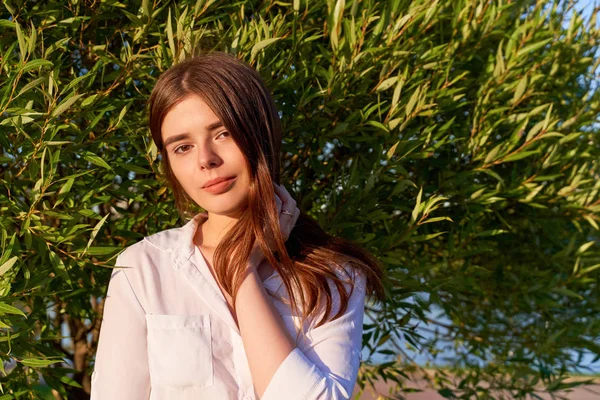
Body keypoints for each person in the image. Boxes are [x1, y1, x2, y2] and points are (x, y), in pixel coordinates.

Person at [91, 51, 386, 400]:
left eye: (223, 133)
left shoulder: (335, 276)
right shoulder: (143, 269)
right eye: (182, 147)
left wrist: (243, 271)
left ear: (259, 133)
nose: (206, 160)